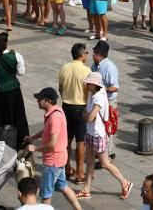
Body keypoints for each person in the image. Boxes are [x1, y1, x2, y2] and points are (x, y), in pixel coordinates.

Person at [24, 87, 82, 210]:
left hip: (53, 161)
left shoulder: (54, 117)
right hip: (59, 159)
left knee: (46, 194)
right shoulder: (55, 112)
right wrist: (33, 137)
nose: (37, 101)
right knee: (63, 187)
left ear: (48, 101)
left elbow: (52, 144)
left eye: (40, 99)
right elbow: (47, 130)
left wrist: (36, 148)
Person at [77, 72, 132, 201]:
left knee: (105, 163)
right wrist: (87, 115)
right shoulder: (92, 94)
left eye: (88, 83)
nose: (86, 84)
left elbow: (89, 116)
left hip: (99, 134)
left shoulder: (100, 97)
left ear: (94, 84)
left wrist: (87, 115)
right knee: (89, 162)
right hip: (90, 132)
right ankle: (86, 190)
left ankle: (125, 183)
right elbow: (86, 113)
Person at [57, 43, 90, 182]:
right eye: (86, 52)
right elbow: (89, 91)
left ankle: (67, 169)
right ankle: (80, 173)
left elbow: (61, 88)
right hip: (80, 108)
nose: (87, 55)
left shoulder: (64, 67)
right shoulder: (86, 71)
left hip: (66, 106)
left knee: (67, 140)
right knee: (81, 141)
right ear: (82, 54)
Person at [91, 40, 119, 156]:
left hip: (108, 101)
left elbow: (115, 87)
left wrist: (103, 90)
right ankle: (103, 151)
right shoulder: (94, 66)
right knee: (99, 126)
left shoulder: (109, 67)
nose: (92, 54)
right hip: (98, 100)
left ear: (99, 54)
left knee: (107, 126)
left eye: (94, 52)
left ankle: (108, 153)